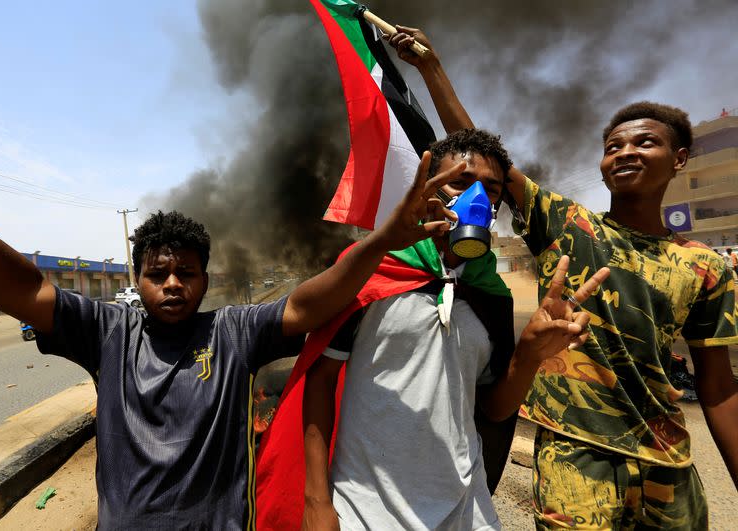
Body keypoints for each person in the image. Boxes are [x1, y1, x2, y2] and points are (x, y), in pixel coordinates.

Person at [0, 157, 466, 530]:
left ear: (205, 280)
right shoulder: (107, 333)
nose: (172, 284)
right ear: (138, 279)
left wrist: (381, 241)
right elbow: (25, 287)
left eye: (185, 273)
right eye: (157, 273)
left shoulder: (233, 332)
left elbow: (307, 305)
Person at [387, 25, 738, 529]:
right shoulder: (567, 226)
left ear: (679, 159)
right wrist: (431, 69)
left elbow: (719, 386)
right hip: (575, 461)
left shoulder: (705, 264)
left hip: (667, 461)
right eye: (613, 146)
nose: (626, 152)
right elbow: (489, 164)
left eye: (646, 142)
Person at [255, 130, 609, 530]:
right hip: (365, 509)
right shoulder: (372, 272)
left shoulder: (490, 295)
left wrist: (529, 355)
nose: (477, 197)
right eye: (460, 181)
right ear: (428, 191)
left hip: (465, 507)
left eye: (490, 189)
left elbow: (493, 409)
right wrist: (317, 501)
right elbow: (320, 382)